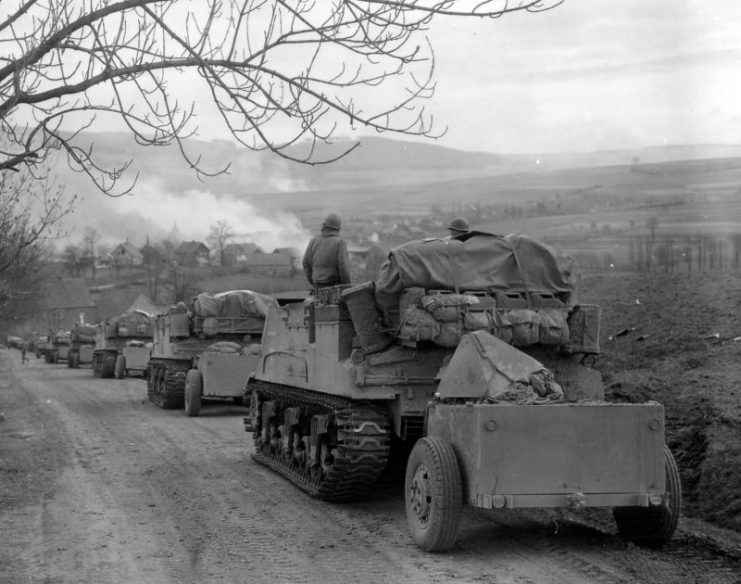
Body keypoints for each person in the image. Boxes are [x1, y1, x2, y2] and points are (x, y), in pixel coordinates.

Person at [302, 213, 352, 288]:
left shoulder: (314, 241)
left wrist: (313, 281)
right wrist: (347, 287)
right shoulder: (340, 242)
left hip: (317, 284)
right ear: (338, 227)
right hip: (334, 285)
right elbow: (343, 268)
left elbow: (305, 262)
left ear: (325, 225)